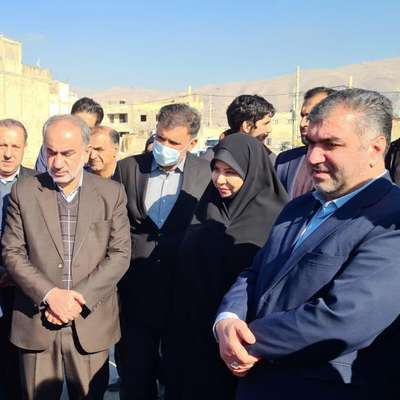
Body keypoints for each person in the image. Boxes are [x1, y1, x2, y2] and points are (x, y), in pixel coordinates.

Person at [215, 89, 400, 400]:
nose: (312, 157)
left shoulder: (389, 219)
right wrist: (227, 320)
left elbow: (345, 317)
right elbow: (256, 272)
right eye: (311, 143)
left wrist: (246, 340)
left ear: (375, 148)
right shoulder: (297, 207)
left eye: (330, 144)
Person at [2, 114, 131, 400]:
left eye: (67, 153)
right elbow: (12, 251)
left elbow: (120, 254)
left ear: (86, 152)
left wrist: (78, 299)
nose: (57, 162)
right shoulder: (24, 191)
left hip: (90, 323)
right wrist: (50, 295)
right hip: (37, 322)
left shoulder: (111, 193)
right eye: (51, 152)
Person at [164, 134, 287, 400]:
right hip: (195, 334)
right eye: (216, 169)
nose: (219, 179)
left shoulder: (278, 217)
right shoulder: (207, 207)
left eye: (230, 172)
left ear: (252, 172)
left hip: (244, 339)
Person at [113, 103, 211, 399]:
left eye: (173, 142)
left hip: (183, 289)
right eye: (160, 138)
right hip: (135, 287)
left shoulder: (206, 173)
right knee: (135, 368)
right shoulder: (128, 168)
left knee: (180, 369)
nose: (163, 147)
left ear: (192, 143)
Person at [0, 119, 35, 400]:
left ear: (25, 148)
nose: (8, 153)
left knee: (18, 371)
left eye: (15, 146)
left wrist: (17, 272)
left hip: (23, 294)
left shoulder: (38, 184)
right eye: (1, 145)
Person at [275, 87, 336, 199]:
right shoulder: (284, 161)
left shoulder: (344, 161)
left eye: (311, 117)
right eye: (302, 116)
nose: (302, 124)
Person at [35, 97, 104, 172]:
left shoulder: (100, 156)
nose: (80, 132)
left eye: (87, 129)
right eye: (77, 125)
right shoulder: (50, 149)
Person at [201, 95, 276, 163]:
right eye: (265, 123)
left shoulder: (269, 160)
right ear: (247, 126)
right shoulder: (209, 162)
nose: (270, 129)